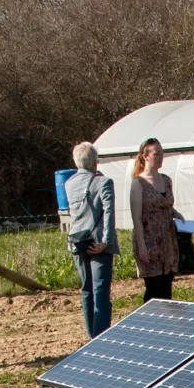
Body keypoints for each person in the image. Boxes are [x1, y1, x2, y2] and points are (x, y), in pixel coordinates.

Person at [66, 142, 118, 337]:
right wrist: (106, 240)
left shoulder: (69, 183)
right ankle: (101, 336)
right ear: (95, 162)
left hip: (77, 242)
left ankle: (91, 335)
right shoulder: (103, 182)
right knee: (100, 291)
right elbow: (109, 211)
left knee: (86, 290)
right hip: (98, 242)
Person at [129, 138, 181, 302]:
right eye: (156, 154)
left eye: (162, 154)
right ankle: (148, 322)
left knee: (167, 285)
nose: (160, 157)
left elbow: (165, 205)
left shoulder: (166, 180)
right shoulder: (138, 183)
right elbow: (136, 217)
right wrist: (142, 247)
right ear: (145, 156)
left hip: (168, 242)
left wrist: (176, 214)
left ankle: (166, 324)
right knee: (154, 287)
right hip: (150, 242)